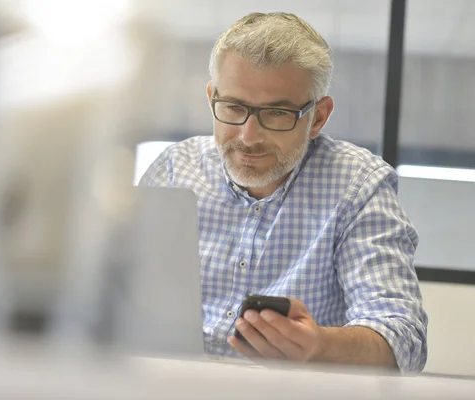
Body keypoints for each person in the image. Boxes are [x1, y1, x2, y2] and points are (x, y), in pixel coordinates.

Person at [139, 12, 428, 373]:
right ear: (212, 97)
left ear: (318, 117)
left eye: (276, 113)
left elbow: (404, 339)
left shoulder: (358, 186)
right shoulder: (173, 169)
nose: (248, 136)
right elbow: (110, 297)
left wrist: (321, 345)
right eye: (233, 107)